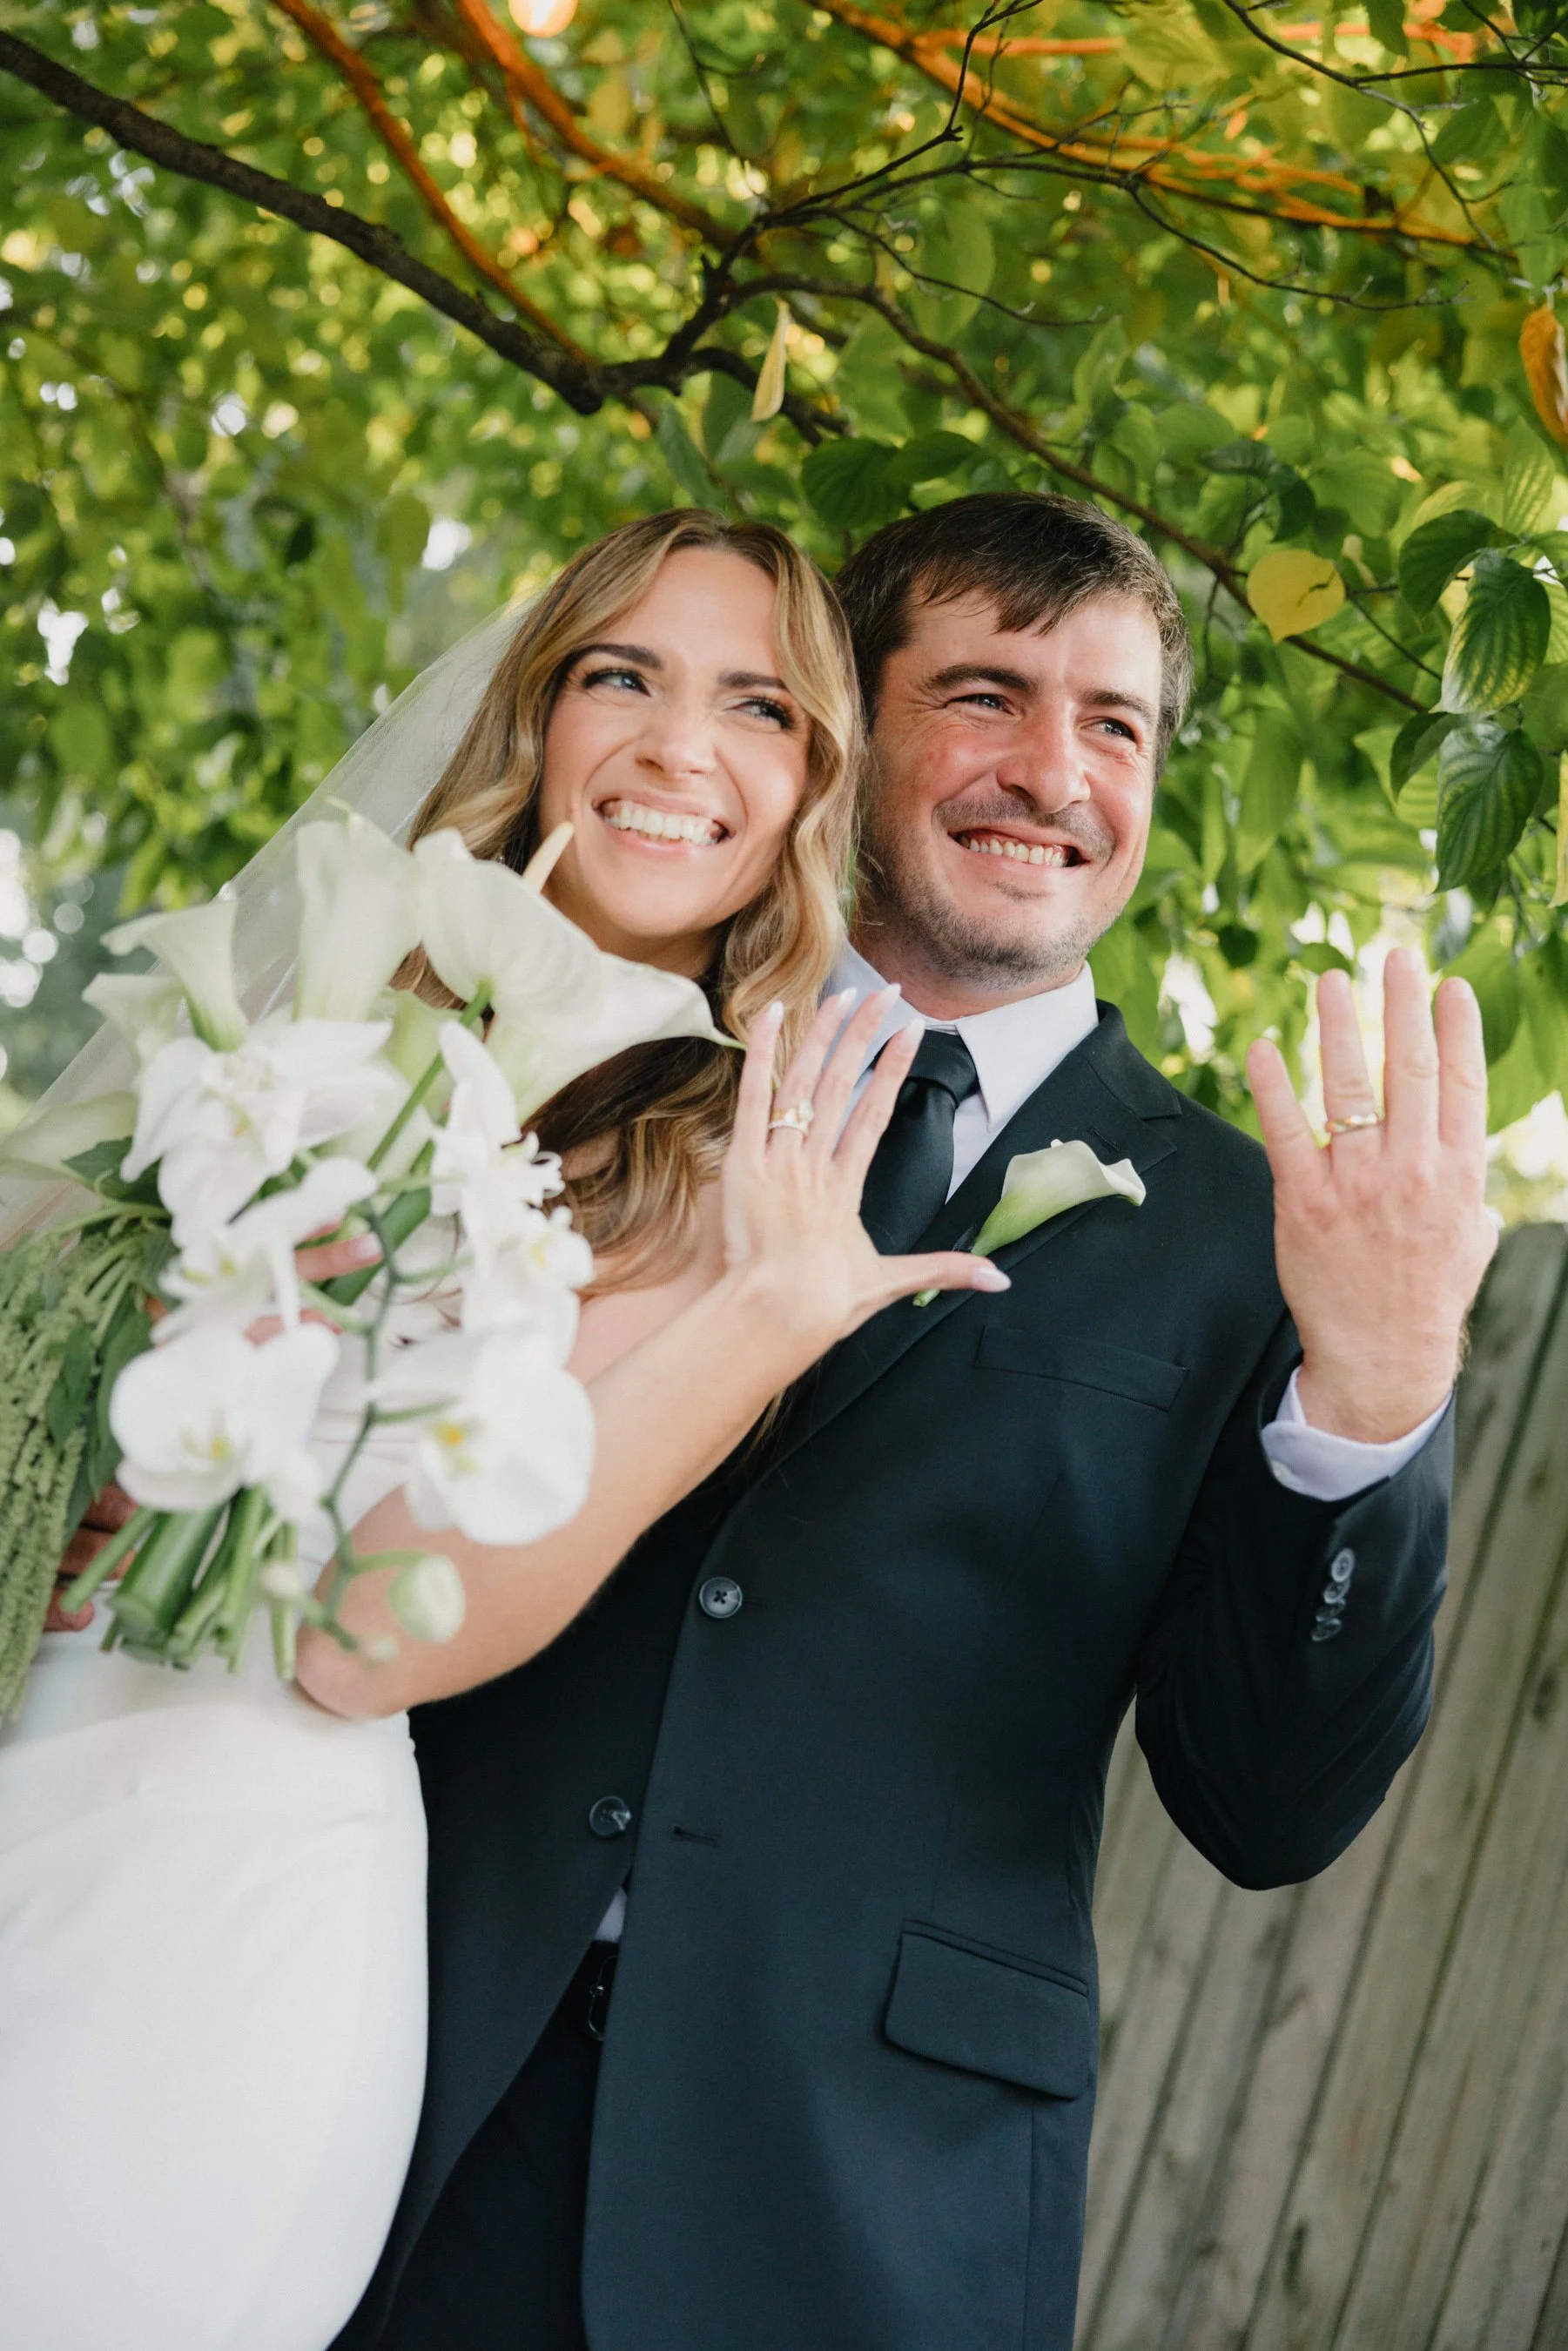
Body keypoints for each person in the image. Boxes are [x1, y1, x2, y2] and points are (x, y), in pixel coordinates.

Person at [326, 494, 1494, 2351]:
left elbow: (1266, 1806)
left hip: (859, 2200)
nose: (1051, 771)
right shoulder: (608, 1052)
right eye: (987, 694)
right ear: (856, 728)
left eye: (1112, 724)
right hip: (411, 2085)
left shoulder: (1243, 1234)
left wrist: (1376, 1392)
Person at [0, 509, 999, 2351]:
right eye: (623, 674)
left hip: (221, 1901)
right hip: (41, 1740)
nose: (677, 744)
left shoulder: (732, 1181)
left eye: (757, 706)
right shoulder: (299, 1022)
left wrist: (770, 1315)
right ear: (537, 713)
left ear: (812, 789)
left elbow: (372, 1639)